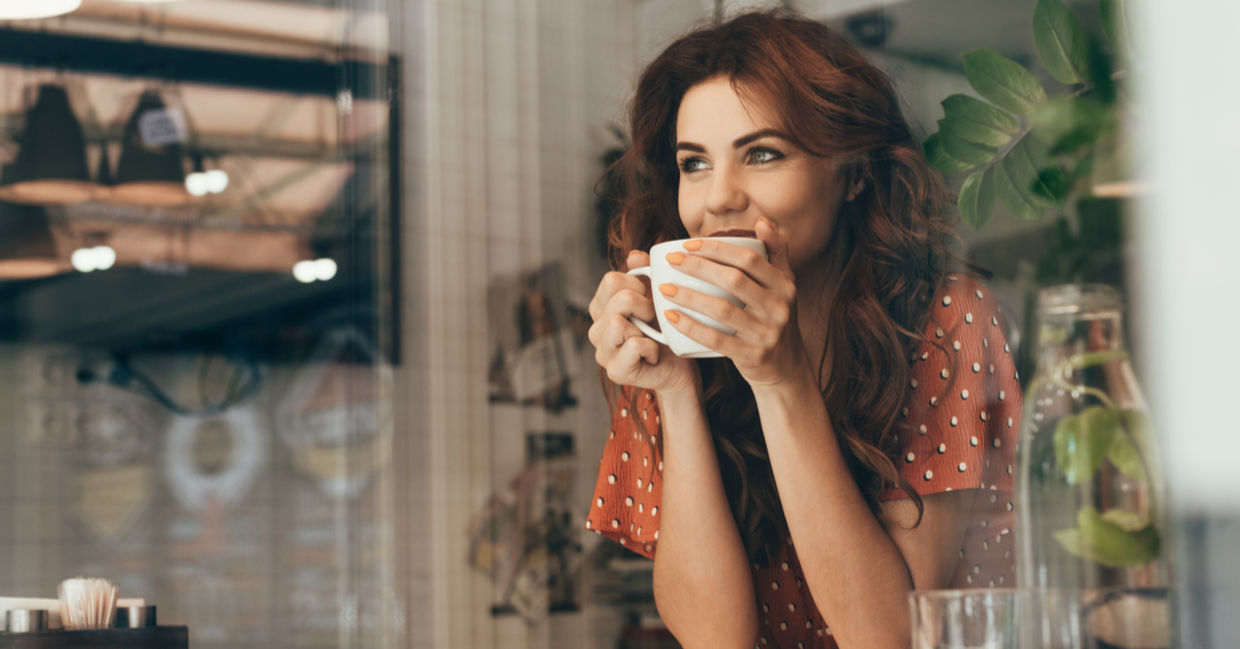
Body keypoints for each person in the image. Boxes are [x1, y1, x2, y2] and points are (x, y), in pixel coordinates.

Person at [584, 9, 1021, 649]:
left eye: (761, 153)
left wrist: (779, 380)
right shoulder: (670, 335)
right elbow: (714, 638)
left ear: (855, 175)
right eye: (694, 163)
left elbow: (889, 638)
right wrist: (675, 394)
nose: (718, 200)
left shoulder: (946, 319)